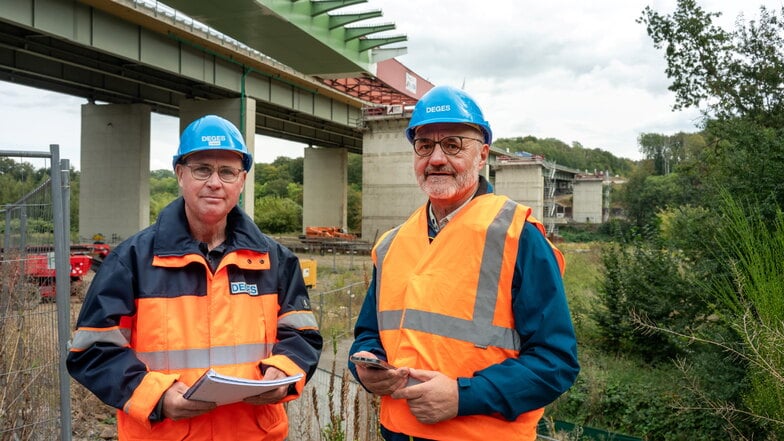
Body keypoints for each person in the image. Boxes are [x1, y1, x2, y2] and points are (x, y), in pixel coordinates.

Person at [67, 114, 322, 440]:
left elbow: (302, 336)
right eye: (202, 169)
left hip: (254, 433)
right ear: (180, 174)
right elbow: (93, 351)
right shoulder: (131, 261)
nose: (215, 182)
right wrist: (157, 395)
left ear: (241, 181)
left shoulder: (276, 261)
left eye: (227, 172)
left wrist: (284, 373)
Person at [348, 85, 580, 441]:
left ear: (483, 154)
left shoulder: (518, 237)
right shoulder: (391, 244)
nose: (436, 158)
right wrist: (364, 364)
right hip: (397, 434)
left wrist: (462, 397)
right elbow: (368, 333)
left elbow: (555, 362)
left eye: (453, 145)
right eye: (425, 146)